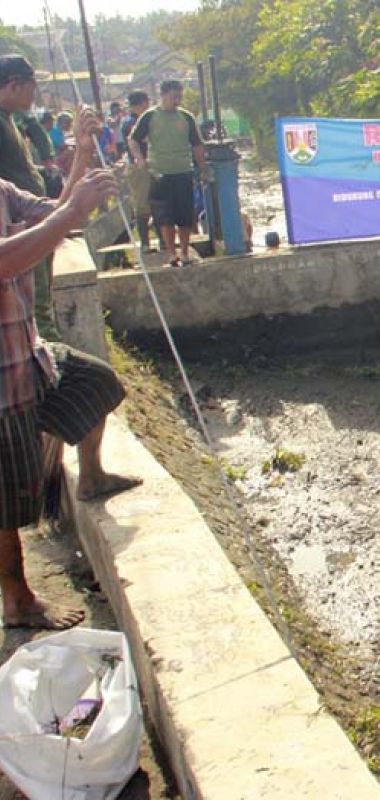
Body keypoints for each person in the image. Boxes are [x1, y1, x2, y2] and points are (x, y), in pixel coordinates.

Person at [1, 106, 142, 630]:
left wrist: (82, 156)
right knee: (9, 500)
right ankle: (17, 599)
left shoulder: (3, 190)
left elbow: (54, 215)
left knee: (96, 382)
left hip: (27, 352)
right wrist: (69, 213)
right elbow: (6, 261)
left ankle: (92, 476)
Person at [0, 55, 61, 340]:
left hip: (30, 220)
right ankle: (49, 365)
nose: (34, 95)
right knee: (36, 303)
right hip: (17, 226)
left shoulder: (11, 121)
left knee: (42, 297)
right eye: (31, 87)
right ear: (14, 85)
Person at [128, 79, 208, 267]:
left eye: (179, 97)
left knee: (185, 216)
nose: (177, 100)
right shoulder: (150, 116)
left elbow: (197, 144)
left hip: (183, 171)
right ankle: (172, 253)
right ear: (163, 95)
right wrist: (140, 158)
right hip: (160, 173)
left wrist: (202, 167)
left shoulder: (186, 117)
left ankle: (185, 251)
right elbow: (133, 139)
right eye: (174, 97)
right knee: (165, 216)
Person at [120, 90, 153, 252]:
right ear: (141, 104)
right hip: (139, 167)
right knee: (142, 205)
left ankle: (155, 241)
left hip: (145, 166)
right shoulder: (132, 123)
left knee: (152, 203)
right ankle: (145, 244)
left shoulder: (132, 121)